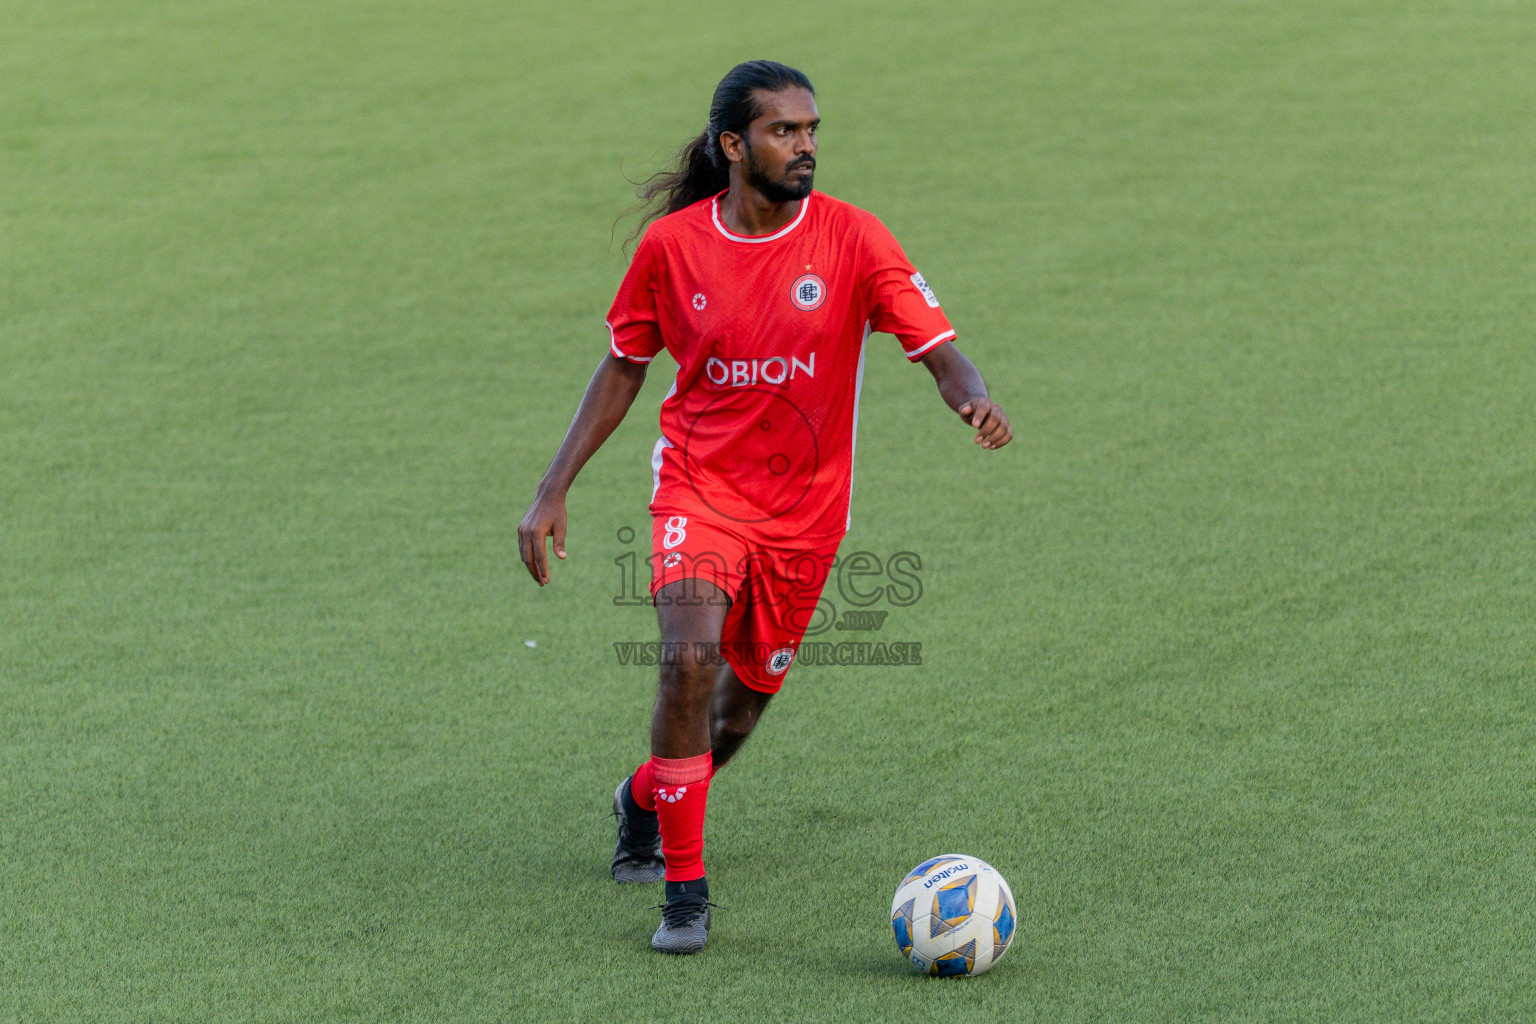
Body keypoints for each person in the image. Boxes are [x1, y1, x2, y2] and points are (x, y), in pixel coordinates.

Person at [517, 60, 1012, 954]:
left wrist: (971, 395)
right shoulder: (672, 248)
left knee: (736, 716)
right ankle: (686, 895)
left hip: (804, 518)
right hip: (699, 493)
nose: (807, 146)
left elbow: (940, 350)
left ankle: (641, 798)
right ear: (733, 145)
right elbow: (627, 362)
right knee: (688, 659)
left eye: (813, 129)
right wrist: (554, 487)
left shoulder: (855, 240)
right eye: (786, 132)